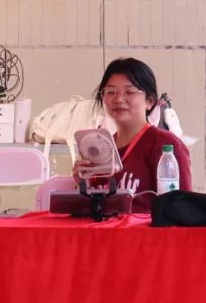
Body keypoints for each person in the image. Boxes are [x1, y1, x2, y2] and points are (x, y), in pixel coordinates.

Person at [74, 57, 192, 212]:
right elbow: (91, 209)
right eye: (110, 91)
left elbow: (183, 209)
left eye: (129, 92)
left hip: (146, 229)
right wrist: (82, 183)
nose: (118, 99)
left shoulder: (165, 145)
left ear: (150, 101)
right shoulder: (101, 147)